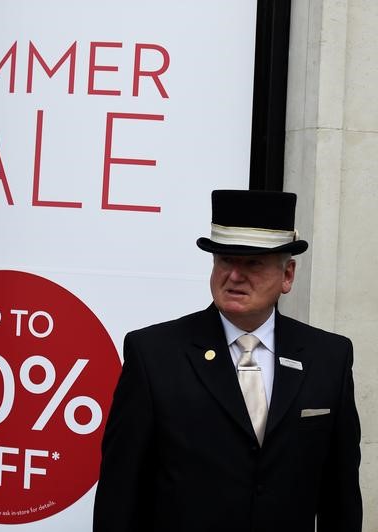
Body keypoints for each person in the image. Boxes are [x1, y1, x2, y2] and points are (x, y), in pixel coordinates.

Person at [93, 190, 362, 531]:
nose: (235, 275)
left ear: (288, 275)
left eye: (253, 263)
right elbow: (120, 493)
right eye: (225, 260)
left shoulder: (329, 358)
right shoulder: (154, 354)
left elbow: (341, 497)